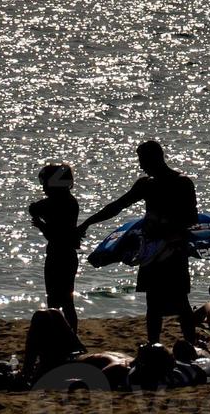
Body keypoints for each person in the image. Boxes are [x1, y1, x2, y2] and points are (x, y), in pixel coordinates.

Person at [78, 141, 199, 347]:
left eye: (142, 160)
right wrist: (88, 222)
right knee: (152, 302)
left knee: (181, 302)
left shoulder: (182, 183)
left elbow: (191, 218)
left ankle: (191, 344)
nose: (141, 165)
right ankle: (154, 344)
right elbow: (117, 206)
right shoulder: (146, 185)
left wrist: (164, 229)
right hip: (150, 251)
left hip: (174, 249)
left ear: (155, 158)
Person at [30, 163, 82, 331]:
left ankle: (59, 336)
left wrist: (41, 225)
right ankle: (71, 335)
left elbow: (54, 233)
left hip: (58, 254)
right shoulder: (69, 201)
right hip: (68, 254)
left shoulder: (57, 203)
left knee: (55, 302)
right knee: (67, 302)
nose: (44, 187)